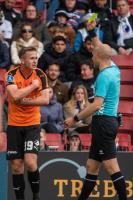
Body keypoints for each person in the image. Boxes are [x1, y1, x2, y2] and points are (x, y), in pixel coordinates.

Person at [65, 33, 127, 200]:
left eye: (93, 54)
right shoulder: (114, 69)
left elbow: (96, 105)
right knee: (91, 167)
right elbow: (103, 49)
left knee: (112, 167)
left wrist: (75, 119)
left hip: (103, 123)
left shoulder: (103, 77)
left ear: (99, 56)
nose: (91, 55)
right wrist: (92, 34)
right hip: (108, 121)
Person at [4, 46, 49, 200]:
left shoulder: (41, 74)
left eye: (36, 58)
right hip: (14, 125)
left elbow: (45, 99)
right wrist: (33, 86)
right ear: (22, 60)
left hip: (32, 124)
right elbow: (15, 96)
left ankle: (36, 195)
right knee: (16, 166)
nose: (35, 61)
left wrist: (26, 100)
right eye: (31, 58)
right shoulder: (10, 75)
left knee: (30, 162)